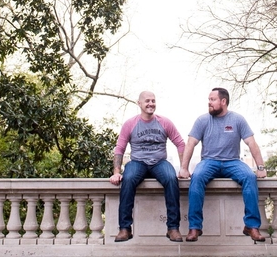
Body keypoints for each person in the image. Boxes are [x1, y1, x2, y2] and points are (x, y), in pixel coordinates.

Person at [178, 87, 267, 243]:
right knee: (197, 177)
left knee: (249, 177)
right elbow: (191, 143)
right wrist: (184, 168)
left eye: (212, 100)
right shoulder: (202, 120)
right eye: (209, 100)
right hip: (208, 162)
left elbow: (251, 143)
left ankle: (251, 226)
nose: (209, 103)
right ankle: (195, 227)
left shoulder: (238, 120)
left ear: (223, 101)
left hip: (232, 161)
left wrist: (260, 167)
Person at [109, 90, 186, 242]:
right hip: (138, 162)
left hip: (159, 162)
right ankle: (124, 228)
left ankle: (173, 228)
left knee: (171, 178)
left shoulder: (164, 122)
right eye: (147, 101)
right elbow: (120, 149)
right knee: (128, 179)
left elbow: (180, 143)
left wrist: (183, 168)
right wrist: (116, 172)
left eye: (153, 101)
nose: (151, 104)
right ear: (139, 103)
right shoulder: (130, 124)